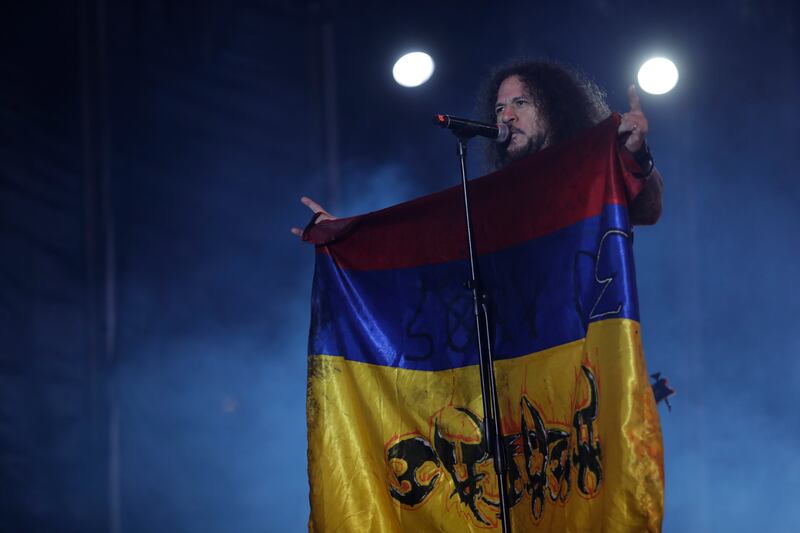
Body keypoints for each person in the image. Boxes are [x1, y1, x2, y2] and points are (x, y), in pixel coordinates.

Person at [291, 60, 663, 235]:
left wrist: (636, 154)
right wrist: (347, 235)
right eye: (500, 107)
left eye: (521, 103)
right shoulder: (506, 193)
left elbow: (647, 211)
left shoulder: (594, 164)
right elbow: (426, 234)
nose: (506, 116)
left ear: (554, 108)